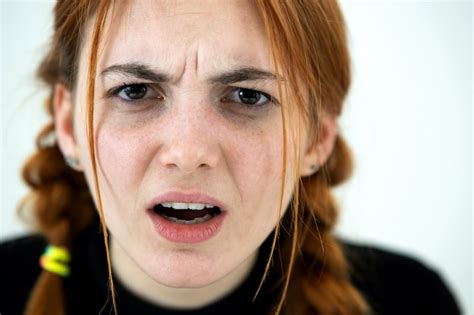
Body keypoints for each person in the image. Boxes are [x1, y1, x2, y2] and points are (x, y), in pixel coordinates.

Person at [1, 1, 462, 315]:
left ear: (316, 139)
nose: (187, 154)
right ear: (68, 125)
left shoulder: (411, 300)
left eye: (247, 96)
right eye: (134, 91)